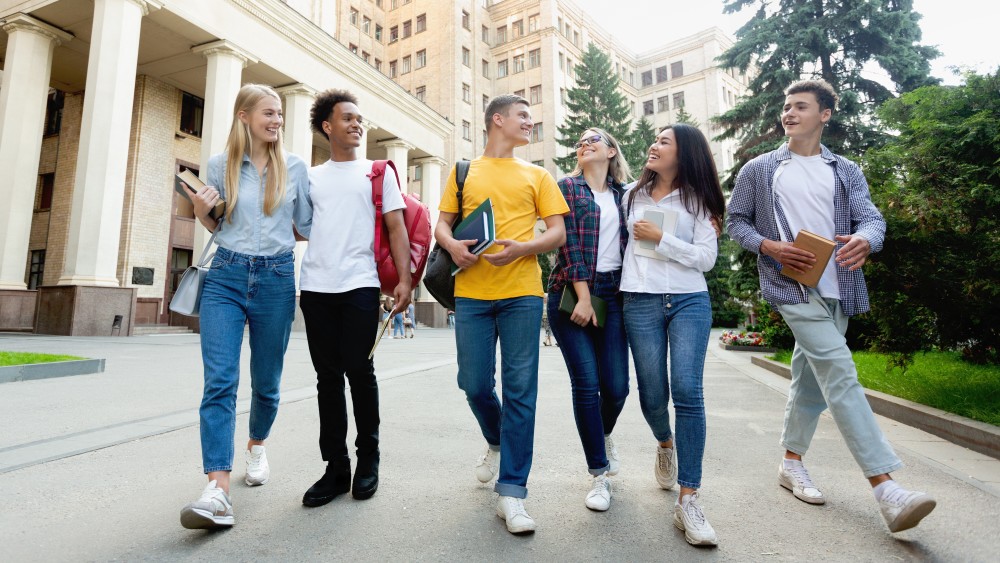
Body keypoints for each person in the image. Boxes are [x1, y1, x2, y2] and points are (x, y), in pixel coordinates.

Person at [727, 79, 936, 534]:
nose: (789, 113)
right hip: (791, 288)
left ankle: (791, 462)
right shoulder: (760, 169)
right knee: (839, 371)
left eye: (800, 107)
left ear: (824, 115)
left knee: (811, 381)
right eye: (786, 107)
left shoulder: (845, 170)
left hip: (839, 286)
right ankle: (886, 488)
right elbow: (735, 222)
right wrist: (771, 247)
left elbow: (872, 217)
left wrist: (866, 239)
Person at [179, 84, 312, 529]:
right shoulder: (220, 166)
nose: (277, 120)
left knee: (267, 381)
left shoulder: (294, 167)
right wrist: (201, 211)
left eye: (279, 115)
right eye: (269, 113)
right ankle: (217, 487)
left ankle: (257, 444)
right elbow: (217, 222)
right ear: (244, 116)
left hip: (276, 278)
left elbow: (307, 225)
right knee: (220, 380)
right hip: (226, 277)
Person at [435, 94, 568, 534]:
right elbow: (442, 224)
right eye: (523, 116)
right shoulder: (463, 171)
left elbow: (557, 233)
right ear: (498, 119)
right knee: (472, 383)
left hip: (522, 295)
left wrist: (524, 248)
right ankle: (495, 439)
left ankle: (512, 492)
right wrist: (453, 245)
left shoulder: (538, 175)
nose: (531, 122)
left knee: (520, 391)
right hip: (471, 294)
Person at [298, 89, 412, 507]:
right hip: (315, 288)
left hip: (361, 285)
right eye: (348, 118)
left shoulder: (377, 172)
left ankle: (368, 460)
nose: (357, 124)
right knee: (327, 380)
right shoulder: (310, 176)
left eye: (360, 118)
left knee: (359, 373)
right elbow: (298, 227)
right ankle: (335, 468)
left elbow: (397, 228)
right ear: (328, 126)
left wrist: (405, 281)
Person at [621, 124, 725, 546]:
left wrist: (662, 238)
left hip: (687, 301)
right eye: (655, 140)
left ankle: (689, 499)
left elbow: (705, 259)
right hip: (640, 301)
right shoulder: (631, 194)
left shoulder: (701, 200)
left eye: (665, 141)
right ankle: (665, 442)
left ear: (686, 154)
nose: (654, 145)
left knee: (687, 390)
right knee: (651, 394)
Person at [546, 127, 631, 512]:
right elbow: (569, 244)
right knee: (587, 384)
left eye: (593, 139)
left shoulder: (625, 196)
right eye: (579, 141)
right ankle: (599, 474)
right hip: (571, 293)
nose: (584, 144)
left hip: (614, 295)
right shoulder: (566, 187)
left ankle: (603, 433)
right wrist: (583, 297)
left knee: (616, 388)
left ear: (611, 151)